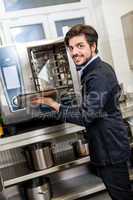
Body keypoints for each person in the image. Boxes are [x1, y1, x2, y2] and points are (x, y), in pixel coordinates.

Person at [31, 24, 133, 200]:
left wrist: (54, 105)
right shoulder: (94, 69)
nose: (74, 52)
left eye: (80, 46)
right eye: (71, 48)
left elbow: (87, 115)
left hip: (110, 148)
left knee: (121, 196)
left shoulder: (98, 74)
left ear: (93, 46)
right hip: (110, 145)